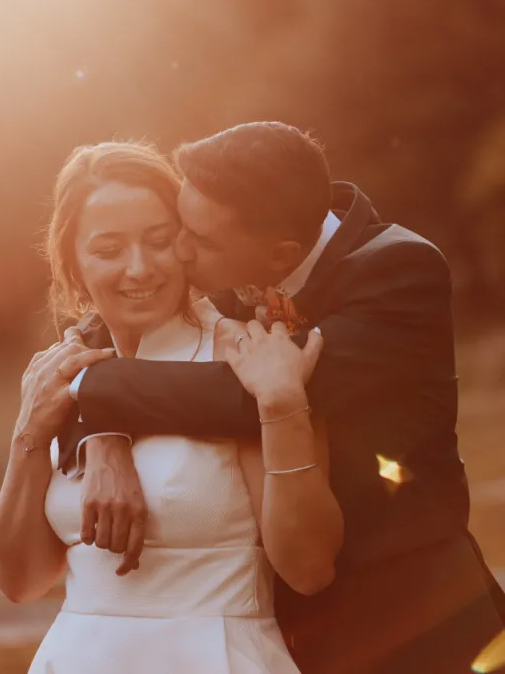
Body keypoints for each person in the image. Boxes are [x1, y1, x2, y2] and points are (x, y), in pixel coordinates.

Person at [58, 122, 505, 673]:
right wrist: (104, 434)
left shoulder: (399, 272)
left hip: (411, 612)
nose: (177, 252)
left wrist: (84, 387)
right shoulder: (235, 232)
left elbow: (247, 398)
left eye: (195, 239)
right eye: (181, 223)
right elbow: (105, 325)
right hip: (275, 616)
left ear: (280, 256)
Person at [0, 140, 344, 674]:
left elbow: (309, 568)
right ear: (72, 263)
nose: (139, 269)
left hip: (217, 654)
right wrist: (28, 435)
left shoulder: (244, 356)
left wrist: (282, 405)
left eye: (158, 241)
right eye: (108, 250)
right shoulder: (59, 375)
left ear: (186, 240)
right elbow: (22, 581)